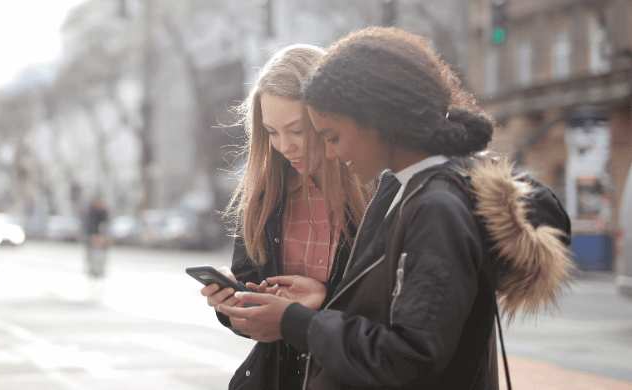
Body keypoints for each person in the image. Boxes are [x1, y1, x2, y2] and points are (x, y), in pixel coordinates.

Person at [216, 27, 575, 389]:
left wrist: (298, 320)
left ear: (374, 120)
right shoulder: (403, 191)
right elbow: (387, 320)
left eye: (331, 136)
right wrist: (316, 304)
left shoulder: (431, 206)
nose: (328, 151)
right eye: (272, 132)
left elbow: (407, 359)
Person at [201, 44, 370, 389]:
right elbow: (252, 298)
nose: (284, 146)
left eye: (296, 130)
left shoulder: (376, 192)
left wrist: (317, 304)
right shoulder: (266, 195)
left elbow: (390, 324)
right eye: (272, 132)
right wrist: (231, 307)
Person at [84, 195, 110, 279]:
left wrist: (105, 237)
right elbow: (89, 226)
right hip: (91, 239)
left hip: (102, 240)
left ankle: (101, 270)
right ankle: (92, 271)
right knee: (92, 256)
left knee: (102, 256)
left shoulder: (104, 213)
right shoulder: (90, 213)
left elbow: (107, 226)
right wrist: (92, 236)